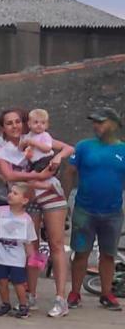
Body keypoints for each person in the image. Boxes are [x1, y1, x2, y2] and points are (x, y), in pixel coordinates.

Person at [0, 107, 72, 317]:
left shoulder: (36, 136)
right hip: (29, 197)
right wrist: (40, 176)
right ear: (2, 128)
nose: (15, 126)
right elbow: (8, 175)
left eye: (18, 122)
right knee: (31, 246)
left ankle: (61, 298)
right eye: (9, 123)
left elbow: (68, 148)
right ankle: (31, 294)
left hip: (51, 193)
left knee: (56, 244)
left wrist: (58, 159)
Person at [66, 107, 125, 311]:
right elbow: (70, 172)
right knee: (81, 252)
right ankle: (74, 293)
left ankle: (106, 293)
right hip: (84, 209)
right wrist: (65, 201)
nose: (96, 126)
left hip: (113, 212)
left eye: (101, 122)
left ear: (114, 124)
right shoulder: (83, 147)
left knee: (109, 254)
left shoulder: (123, 151)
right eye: (94, 122)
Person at [0, 182, 38, 318]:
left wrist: (32, 257)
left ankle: (23, 305)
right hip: (0, 257)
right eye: (10, 192)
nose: (10, 194)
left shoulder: (27, 220)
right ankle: (5, 304)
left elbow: (29, 242)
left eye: (15, 193)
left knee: (18, 283)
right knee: (2, 281)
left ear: (24, 200)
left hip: (17, 259)